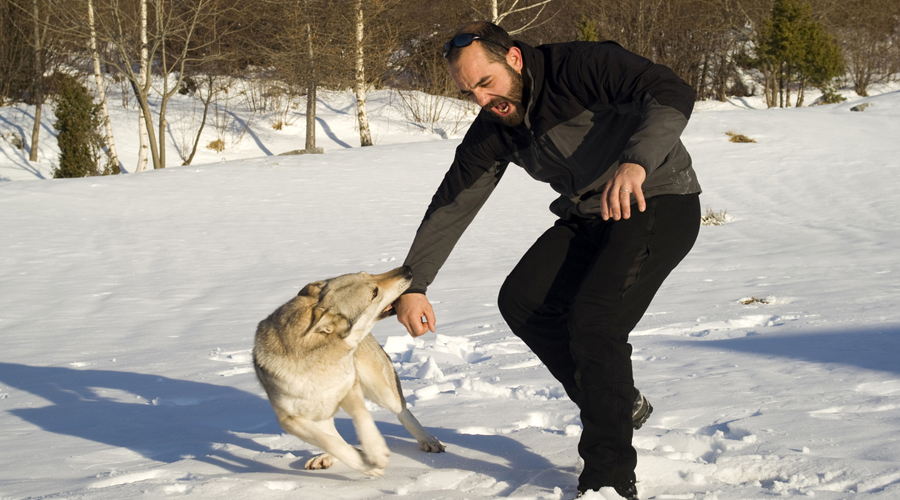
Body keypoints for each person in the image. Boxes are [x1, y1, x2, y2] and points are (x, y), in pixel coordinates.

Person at [394, 21, 701, 499]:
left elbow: (670, 89)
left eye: (486, 82)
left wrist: (637, 160)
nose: (482, 100)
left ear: (514, 58)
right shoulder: (495, 127)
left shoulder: (579, 68)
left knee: (595, 321)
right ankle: (616, 401)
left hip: (658, 197)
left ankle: (607, 480)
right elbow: (452, 204)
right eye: (469, 92)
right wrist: (413, 284)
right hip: (590, 215)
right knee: (523, 300)